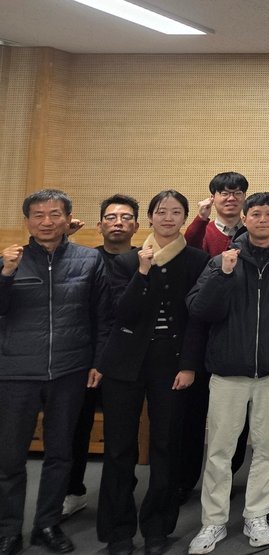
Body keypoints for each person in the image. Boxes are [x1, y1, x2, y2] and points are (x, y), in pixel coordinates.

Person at [185, 192, 269, 554]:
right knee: (219, 451)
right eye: (256, 214)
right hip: (227, 372)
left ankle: (257, 515)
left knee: (267, 449)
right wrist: (223, 275)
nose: (262, 219)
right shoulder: (222, 260)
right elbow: (199, 310)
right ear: (244, 219)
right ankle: (213, 522)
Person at [94, 190, 208, 555]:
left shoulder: (197, 260)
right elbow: (121, 312)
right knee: (119, 449)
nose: (168, 218)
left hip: (171, 363)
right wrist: (142, 272)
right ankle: (118, 530)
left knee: (166, 445)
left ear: (185, 218)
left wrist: (189, 365)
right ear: (150, 218)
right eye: (161, 211)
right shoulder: (127, 261)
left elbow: (197, 320)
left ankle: (157, 527)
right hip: (124, 362)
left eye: (176, 212)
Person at [0, 189, 110, 555]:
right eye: (38, 215)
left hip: (69, 370)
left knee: (61, 454)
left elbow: (101, 316)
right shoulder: (9, 260)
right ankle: (8, 529)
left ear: (67, 219)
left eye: (54, 214)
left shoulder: (89, 260)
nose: (46, 221)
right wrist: (6, 274)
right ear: (27, 221)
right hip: (16, 371)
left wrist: (97, 361)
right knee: (10, 458)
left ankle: (46, 524)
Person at [64, 194, 141, 520]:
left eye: (125, 217)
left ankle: (120, 497)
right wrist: (64, 238)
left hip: (128, 359)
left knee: (122, 436)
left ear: (136, 225)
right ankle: (73, 492)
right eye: (111, 217)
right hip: (85, 357)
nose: (118, 223)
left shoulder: (145, 260)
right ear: (99, 225)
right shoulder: (85, 259)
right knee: (75, 428)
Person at [177, 172, 250, 502]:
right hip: (200, 333)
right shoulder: (201, 230)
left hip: (238, 335)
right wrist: (199, 219)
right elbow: (185, 255)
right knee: (192, 414)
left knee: (236, 418)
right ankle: (185, 480)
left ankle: (227, 476)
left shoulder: (253, 230)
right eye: (224, 192)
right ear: (214, 198)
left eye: (237, 192)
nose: (231, 198)